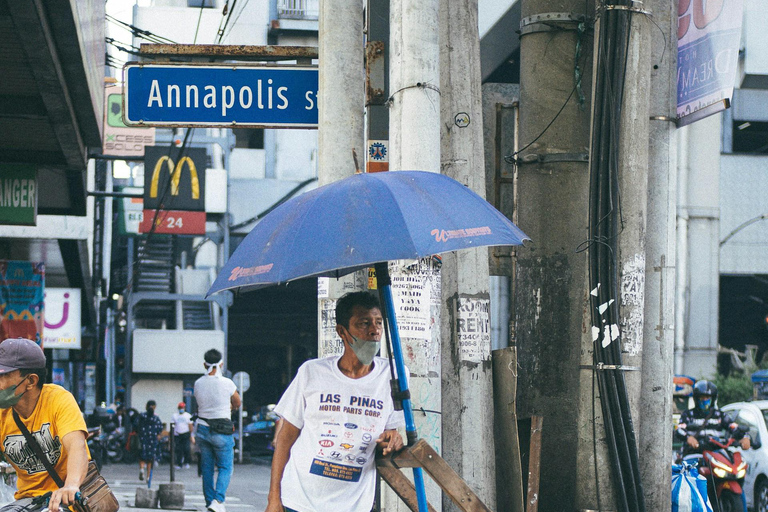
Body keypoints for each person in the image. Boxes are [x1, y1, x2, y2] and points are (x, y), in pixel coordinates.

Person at [266, 291, 405, 512]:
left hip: (354, 504)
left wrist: (394, 438)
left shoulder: (394, 377)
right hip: (300, 500)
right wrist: (274, 498)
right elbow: (285, 439)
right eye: (363, 323)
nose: (374, 330)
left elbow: (391, 432)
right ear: (342, 331)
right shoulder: (312, 372)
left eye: (378, 322)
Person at [0, 337, 89, 512]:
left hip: (67, 499)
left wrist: (71, 485)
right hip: (28, 500)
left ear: (31, 381)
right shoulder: (2, 412)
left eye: (3, 376)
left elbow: (77, 447)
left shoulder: (58, 400)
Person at [194, 349, 241, 512]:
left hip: (202, 428)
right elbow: (237, 401)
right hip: (222, 430)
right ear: (221, 364)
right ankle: (218, 501)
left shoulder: (198, 383)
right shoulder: (227, 383)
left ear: (204, 364)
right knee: (225, 467)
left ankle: (209, 502)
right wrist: (230, 407)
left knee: (206, 469)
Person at [675, 380, 751, 456]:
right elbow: (679, 430)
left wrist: (745, 437)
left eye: (707, 397)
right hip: (693, 453)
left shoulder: (719, 415)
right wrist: (688, 438)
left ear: (713, 399)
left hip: (715, 454)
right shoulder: (688, 414)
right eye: (702, 397)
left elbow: (733, 427)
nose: (705, 400)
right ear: (696, 399)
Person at [137, 400, 163, 481]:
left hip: (143, 438)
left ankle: (141, 469)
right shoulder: (156, 418)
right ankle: (148, 477)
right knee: (150, 459)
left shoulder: (142, 416)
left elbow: (135, 424)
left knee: (142, 456)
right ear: (154, 407)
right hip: (152, 439)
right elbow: (160, 428)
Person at [172, 401, 194, 468]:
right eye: (180, 407)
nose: (181, 409)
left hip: (186, 433)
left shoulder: (188, 415)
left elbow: (190, 425)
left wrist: (191, 435)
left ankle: (187, 462)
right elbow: (173, 425)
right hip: (177, 434)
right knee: (178, 449)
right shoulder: (175, 415)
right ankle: (179, 463)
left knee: (186, 448)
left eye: (182, 407)